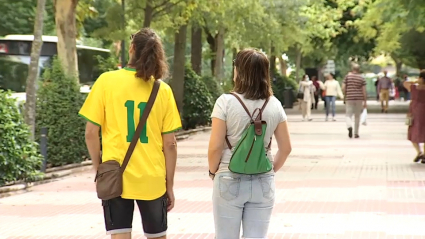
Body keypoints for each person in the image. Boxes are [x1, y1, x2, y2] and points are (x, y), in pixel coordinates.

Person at [79, 28, 182, 239]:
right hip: (152, 179)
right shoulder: (162, 90)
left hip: (116, 177)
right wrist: (169, 185)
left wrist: (100, 170)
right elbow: (170, 144)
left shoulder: (106, 81)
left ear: (132, 48)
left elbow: (91, 133)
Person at [208, 48, 292, 239]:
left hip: (229, 177)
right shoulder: (275, 104)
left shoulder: (225, 102)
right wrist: (269, 169)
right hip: (264, 180)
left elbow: (215, 147)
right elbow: (286, 148)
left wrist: (213, 172)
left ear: (239, 71)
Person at [403, 71, 425, 163]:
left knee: (413, 131)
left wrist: (415, 81)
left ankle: (419, 152)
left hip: (415, 111)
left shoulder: (414, 88)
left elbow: (405, 83)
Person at [342, 64, 367, 139]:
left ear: (352, 69)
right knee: (357, 116)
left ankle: (349, 126)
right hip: (359, 98)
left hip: (349, 98)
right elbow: (364, 90)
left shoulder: (347, 77)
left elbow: (343, 87)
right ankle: (356, 133)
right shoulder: (362, 78)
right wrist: (365, 101)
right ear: (359, 69)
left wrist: (345, 95)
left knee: (348, 115)